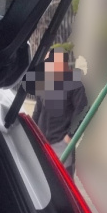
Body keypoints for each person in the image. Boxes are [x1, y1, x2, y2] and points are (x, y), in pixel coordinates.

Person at [31, 48, 89, 177]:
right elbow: (37, 110)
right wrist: (32, 132)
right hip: (42, 143)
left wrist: (70, 136)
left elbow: (82, 110)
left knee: (62, 182)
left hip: (61, 144)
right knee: (43, 180)